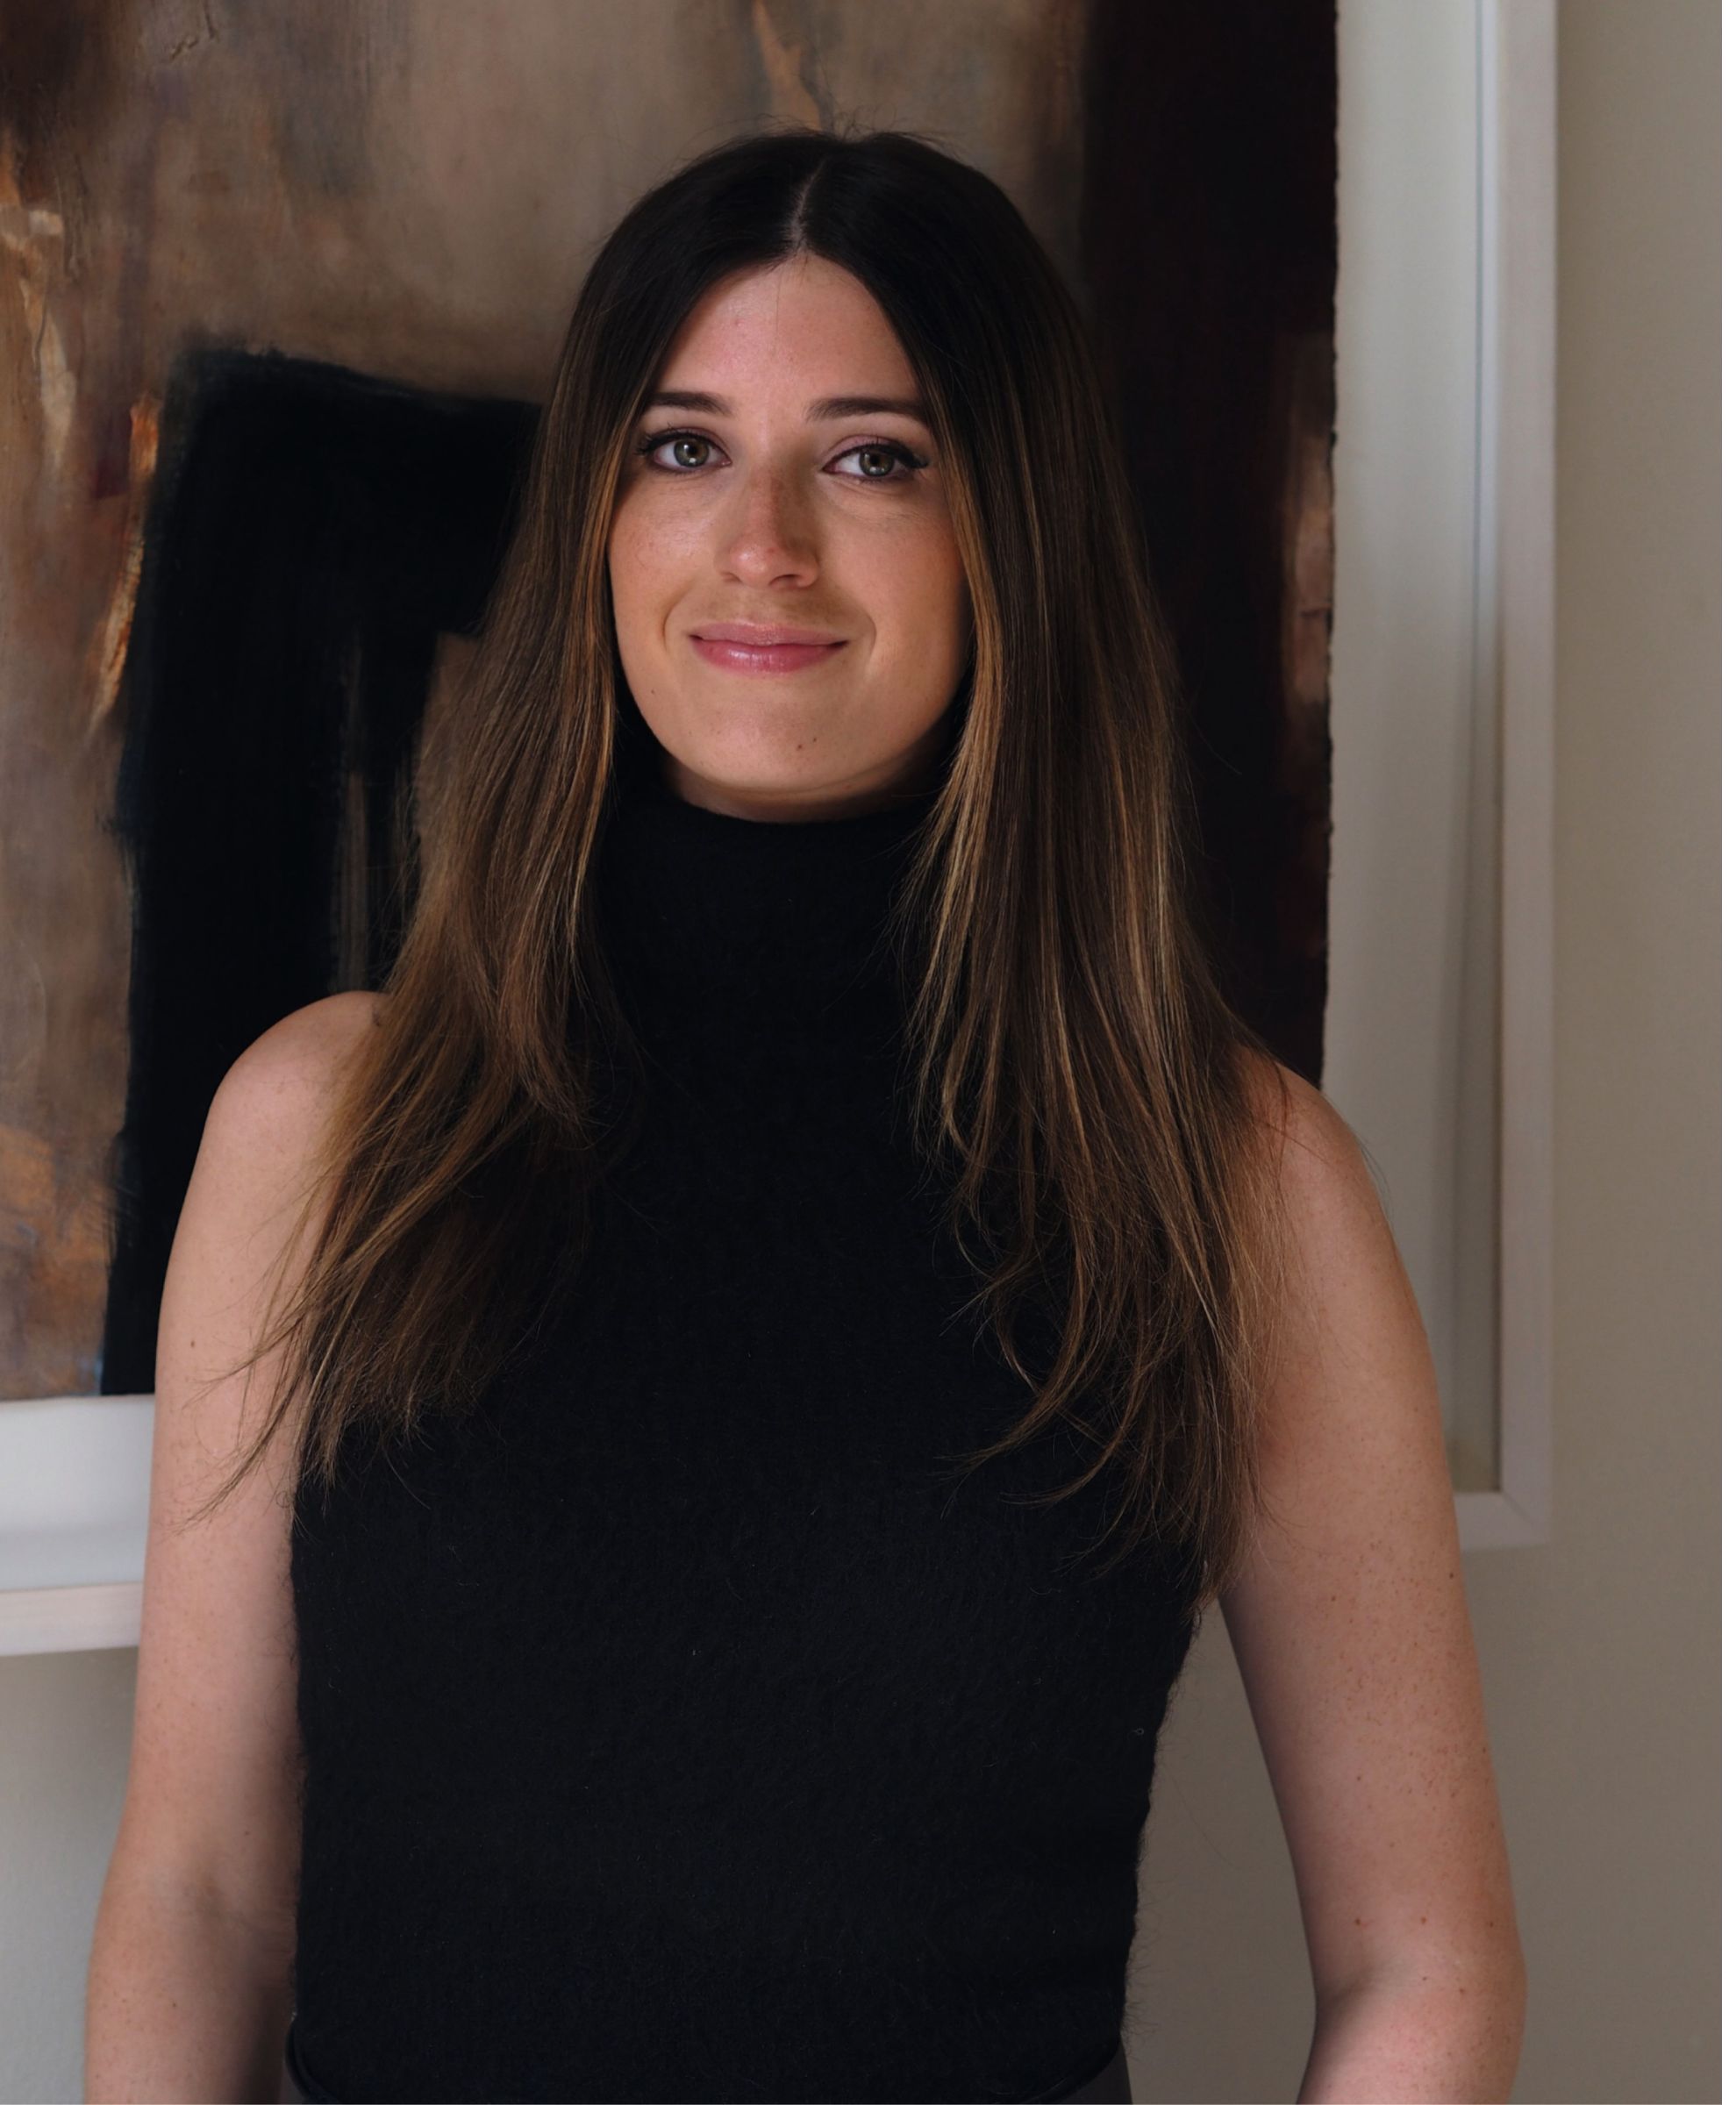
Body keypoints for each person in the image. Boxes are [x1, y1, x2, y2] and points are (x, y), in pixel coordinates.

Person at [82, 129, 1522, 2103]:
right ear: (595, 511)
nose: (760, 540)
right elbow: (200, 1899)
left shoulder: (1231, 1181)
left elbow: (1421, 1966)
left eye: (871, 456)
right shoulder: (326, 1130)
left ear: (1003, 524)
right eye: (681, 447)